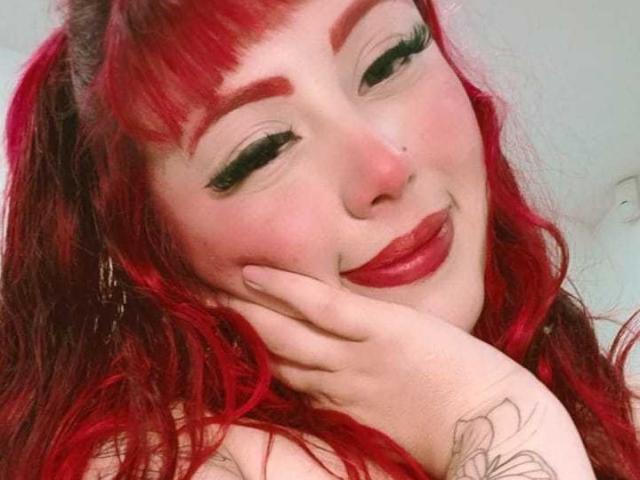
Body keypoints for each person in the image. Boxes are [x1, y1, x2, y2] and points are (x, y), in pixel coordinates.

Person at [1, 0, 639, 478]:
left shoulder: (609, 401)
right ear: (155, 250)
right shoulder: (164, 463)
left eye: (389, 60)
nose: (385, 168)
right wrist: (490, 411)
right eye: (262, 149)